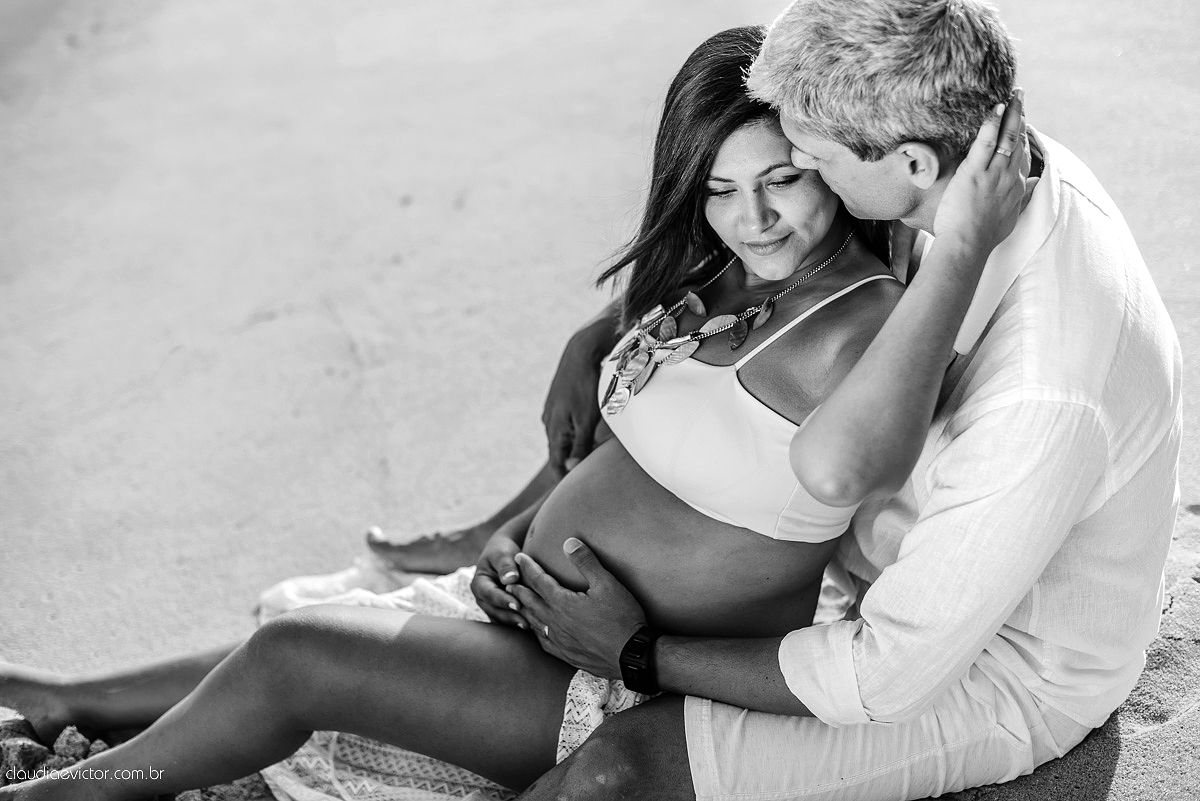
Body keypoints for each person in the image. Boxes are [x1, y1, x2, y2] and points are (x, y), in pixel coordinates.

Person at [0, 24, 1027, 800]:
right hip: (522, 615)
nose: (750, 216)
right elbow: (658, 332)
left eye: (783, 180)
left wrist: (968, 248)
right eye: (716, 187)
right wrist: (583, 362)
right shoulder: (733, 270)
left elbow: (860, 469)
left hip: (610, 678)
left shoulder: (866, 321)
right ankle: (66, 702)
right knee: (303, 630)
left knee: (294, 657)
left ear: (831, 165)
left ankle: (77, 792)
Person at [500, 1, 1183, 800]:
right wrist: (601, 334)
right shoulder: (985, 156)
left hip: (997, 668)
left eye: (809, 162)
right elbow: (766, 267)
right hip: (885, 564)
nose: (800, 175)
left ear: (913, 166)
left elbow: (887, 672)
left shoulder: (1042, 390)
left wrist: (640, 650)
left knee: (622, 769)